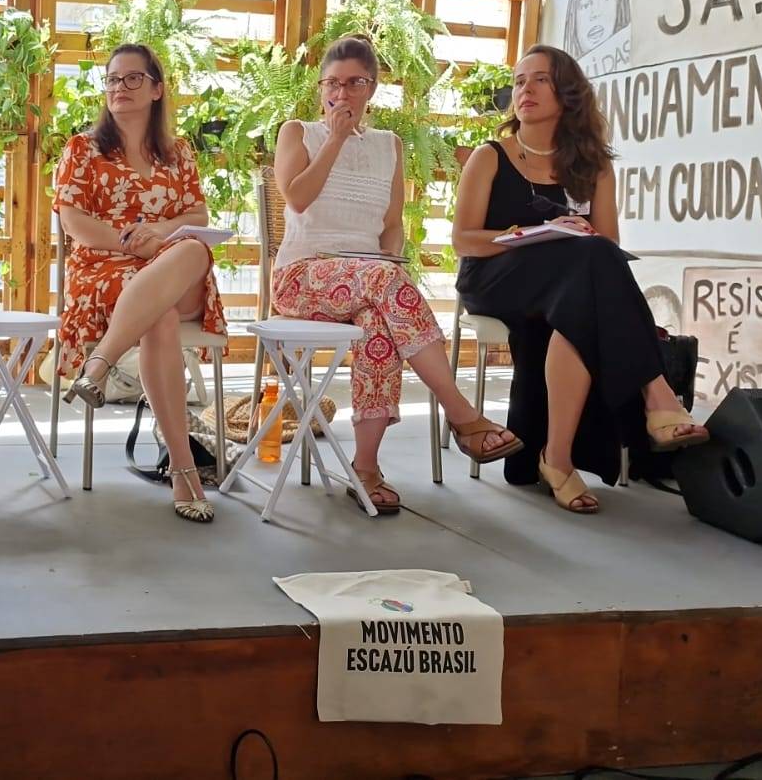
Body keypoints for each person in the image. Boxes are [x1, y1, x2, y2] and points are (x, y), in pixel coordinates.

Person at [270, 35, 521, 515]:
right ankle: (462, 414)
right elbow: (297, 198)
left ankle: (365, 467)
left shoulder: (390, 145)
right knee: (385, 285)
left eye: (354, 83)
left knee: (379, 325)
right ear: (320, 87)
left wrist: (389, 256)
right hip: (304, 276)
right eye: (333, 83)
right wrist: (337, 138)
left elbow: (390, 227)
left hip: (370, 279)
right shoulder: (298, 133)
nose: (341, 93)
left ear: (372, 88)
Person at [453, 44, 708, 514]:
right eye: (519, 81)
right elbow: (463, 241)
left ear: (567, 93)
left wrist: (575, 235)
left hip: (566, 285)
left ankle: (557, 457)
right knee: (586, 264)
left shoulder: (593, 164)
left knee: (587, 277)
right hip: (496, 276)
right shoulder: (490, 156)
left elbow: (608, 244)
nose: (524, 89)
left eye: (539, 80)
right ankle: (657, 396)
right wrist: (536, 233)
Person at [54, 43, 227, 523]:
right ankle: (184, 472)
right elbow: (74, 221)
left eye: (132, 79)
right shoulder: (82, 149)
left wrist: (159, 239)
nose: (119, 88)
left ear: (157, 89)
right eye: (112, 79)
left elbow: (197, 215)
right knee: (162, 318)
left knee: (192, 249)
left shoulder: (179, 153)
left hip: (171, 267)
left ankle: (100, 364)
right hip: (102, 269)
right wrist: (134, 246)